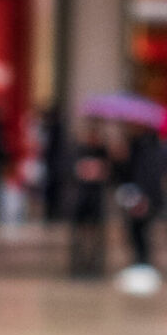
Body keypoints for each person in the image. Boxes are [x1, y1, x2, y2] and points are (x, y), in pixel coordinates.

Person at [113, 122, 165, 293]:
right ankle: (138, 268)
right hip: (133, 196)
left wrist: (145, 198)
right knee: (134, 234)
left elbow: (150, 177)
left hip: (144, 198)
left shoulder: (150, 148)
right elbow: (125, 174)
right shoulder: (132, 147)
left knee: (142, 235)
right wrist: (119, 159)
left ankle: (144, 269)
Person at [65, 120, 111, 279]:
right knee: (79, 235)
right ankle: (78, 266)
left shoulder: (103, 151)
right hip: (80, 198)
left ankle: (95, 266)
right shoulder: (77, 150)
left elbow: (110, 174)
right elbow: (68, 171)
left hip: (96, 199)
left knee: (96, 235)